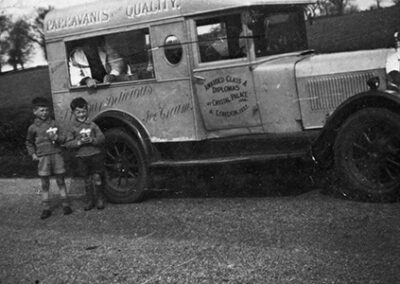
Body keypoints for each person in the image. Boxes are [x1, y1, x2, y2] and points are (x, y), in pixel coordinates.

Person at [25, 97, 72, 219]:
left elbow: (63, 137)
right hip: (43, 158)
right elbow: (29, 142)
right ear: (35, 112)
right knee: (45, 183)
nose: (44, 113)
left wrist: (57, 138)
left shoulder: (54, 124)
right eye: (41, 110)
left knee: (61, 180)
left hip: (56, 154)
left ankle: (66, 204)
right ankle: (46, 208)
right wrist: (33, 154)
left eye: (46, 110)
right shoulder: (33, 127)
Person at [64, 97, 106, 210]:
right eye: (78, 112)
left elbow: (102, 137)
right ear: (73, 113)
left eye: (83, 111)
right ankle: (89, 201)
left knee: (97, 177)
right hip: (81, 157)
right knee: (86, 179)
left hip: (95, 154)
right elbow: (68, 143)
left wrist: (93, 140)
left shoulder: (92, 125)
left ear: (87, 111)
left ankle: (99, 199)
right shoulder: (72, 127)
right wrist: (79, 142)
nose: (81, 114)